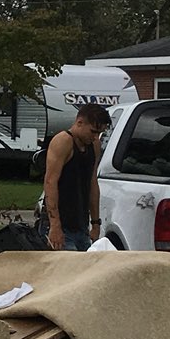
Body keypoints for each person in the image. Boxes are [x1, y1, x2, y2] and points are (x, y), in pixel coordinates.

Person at [40, 102, 112, 250]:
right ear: (79, 122)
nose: (95, 137)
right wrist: (55, 225)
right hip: (61, 225)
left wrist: (95, 223)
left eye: (99, 133)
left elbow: (92, 183)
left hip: (81, 225)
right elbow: (50, 182)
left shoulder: (94, 145)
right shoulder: (63, 141)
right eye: (93, 131)